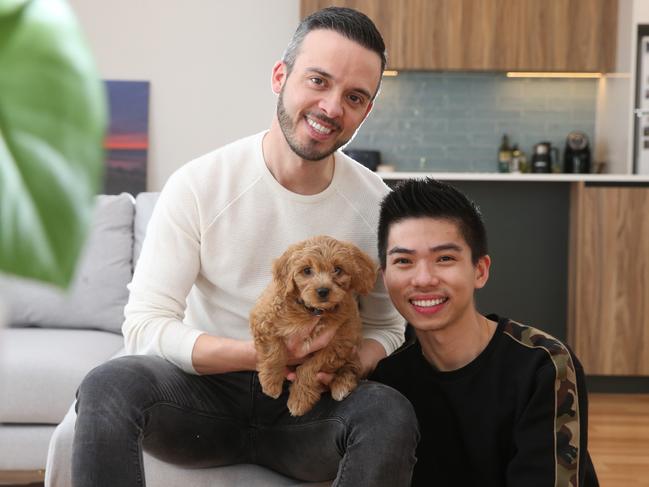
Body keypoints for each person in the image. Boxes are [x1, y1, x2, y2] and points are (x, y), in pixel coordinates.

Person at [71, 7, 418, 487]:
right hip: (201, 399)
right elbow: (145, 325)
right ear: (280, 75)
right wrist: (263, 355)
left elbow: (388, 325)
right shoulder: (199, 184)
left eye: (354, 96)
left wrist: (346, 362)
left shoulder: (379, 206)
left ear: (366, 110)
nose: (332, 108)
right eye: (318, 81)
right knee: (108, 385)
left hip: (309, 410)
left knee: (390, 412)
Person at [371, 178, 599, 486]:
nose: (423, 279)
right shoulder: (388, 379)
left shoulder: (544, 364)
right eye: (404, 261)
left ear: (480, 270)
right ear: (385, 277)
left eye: (445, 258)